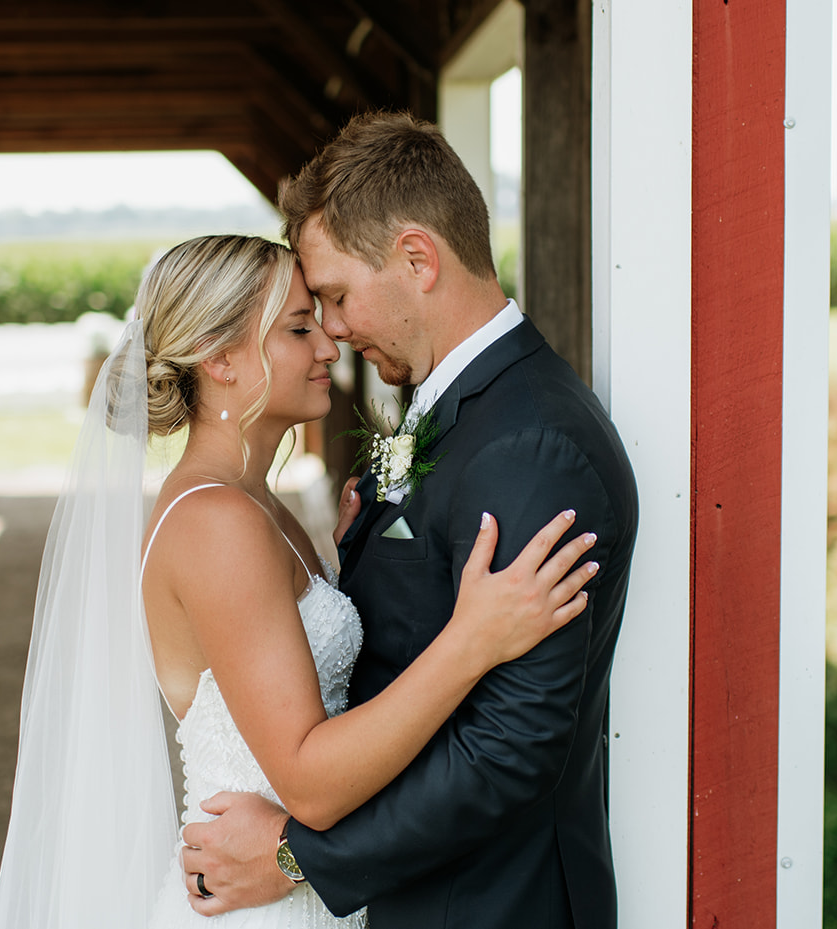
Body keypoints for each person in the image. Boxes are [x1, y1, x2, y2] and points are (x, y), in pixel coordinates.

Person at [0, 232, 600, 929]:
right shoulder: (218, 521)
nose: (330, 347)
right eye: (300, 328)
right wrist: (473, 640)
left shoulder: (255, 503)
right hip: (262, 903)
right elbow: (307, 781)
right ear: (219, 357)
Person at [178, 112, 640, 929]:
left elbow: (509, 748)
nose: (333, 329)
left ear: (417, 259)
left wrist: (296, 855)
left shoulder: (530, 446)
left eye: (335, 295)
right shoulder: (459, 413)